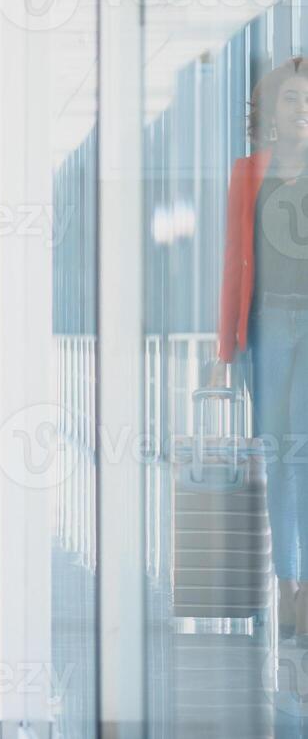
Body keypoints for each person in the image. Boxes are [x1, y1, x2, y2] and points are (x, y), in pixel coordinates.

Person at [214, 55, 308, 636]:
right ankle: (288, 582)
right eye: (294, 100)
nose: (304, 111)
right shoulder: (249, 173)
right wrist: (224, 349)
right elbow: (232, 262)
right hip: (269, 327)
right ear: (272, 110)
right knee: (281, 459)